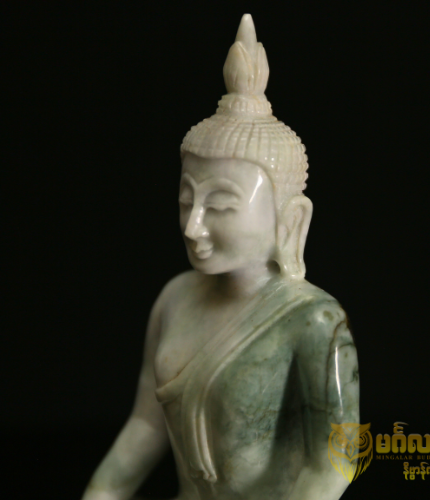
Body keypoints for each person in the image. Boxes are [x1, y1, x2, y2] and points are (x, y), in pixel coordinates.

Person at [82, 14, 359, 500]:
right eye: (186, 199)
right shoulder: (174, 298)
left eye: (221, 205)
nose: (193, 226)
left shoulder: (315, 321)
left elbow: (335, 463)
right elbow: (147, 424)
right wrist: (102, 492)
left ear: (290, 218)